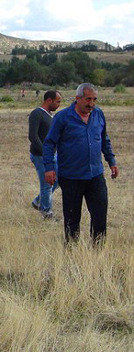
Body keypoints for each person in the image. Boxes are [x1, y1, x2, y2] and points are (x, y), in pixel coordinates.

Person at [43, 83, 119, 247]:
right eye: (88, 99)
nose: (91, 104)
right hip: (71, 177)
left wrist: (111, 161)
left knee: (100, 215)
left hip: (95, 175)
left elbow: (104, 140)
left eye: (94, 100)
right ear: (77, 99)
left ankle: (97, 251)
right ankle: (71, 250)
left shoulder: (98, 114)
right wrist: (49, 168)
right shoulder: (62, 117)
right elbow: (49, 143)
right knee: (72, 218)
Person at [28, 90, 62, 219]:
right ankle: (47, 213)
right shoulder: (37, 113)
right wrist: (45, 153)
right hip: (40, 155)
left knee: (57, 180)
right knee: (47, 184)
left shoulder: (49, 115)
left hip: (51, 155)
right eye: (57, 101)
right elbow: (33, 136)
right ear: (49, 100)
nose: (59, 104)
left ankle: (38, 201)